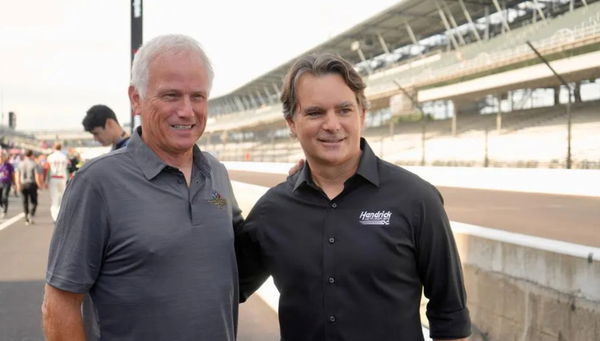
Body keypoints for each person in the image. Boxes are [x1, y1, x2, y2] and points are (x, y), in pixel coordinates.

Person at [236, 54, 471, 341]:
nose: (332, 124)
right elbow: (222, 289)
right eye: (315, 113)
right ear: (291, 123)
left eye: (344, 110)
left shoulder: (417, 199)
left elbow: (451, 317)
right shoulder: (272, 210)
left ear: (362, 115)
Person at [42, 34, 243, 341]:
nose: (187, 111)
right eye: (171, 95)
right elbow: (59, 306)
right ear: (136, 98)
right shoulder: (97, 183)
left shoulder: (216, 173)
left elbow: (240, 253)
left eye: (198, 96)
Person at [15, 149, 44, 225]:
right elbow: (36, 176)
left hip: (23, 184)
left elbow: (17, 175)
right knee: (34, 202)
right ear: (31, 155)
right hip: (31, 184)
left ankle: (26, 218)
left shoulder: (20, 163)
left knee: (25, 201)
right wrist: (40, 185)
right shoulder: (34, 164)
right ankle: (30, 214)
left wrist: (18, 184)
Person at [46, 143, 70, 222]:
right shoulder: (64, 157)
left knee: (54, 199)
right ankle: (60, 215)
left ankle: (55, 217)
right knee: (62, 197)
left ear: (54, 147)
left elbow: (47, 169)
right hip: (62, 178)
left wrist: (46, 180)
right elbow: (67, 168)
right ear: (61, 148)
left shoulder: (50, 157)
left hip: (54, 178)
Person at [0, 151, 15, 218]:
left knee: (4, 196)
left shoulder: (9, 165)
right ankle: (2, 207)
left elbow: (13, 174)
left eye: (2, 157)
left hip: (7, 183)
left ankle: (5, 210)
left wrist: (14, 183)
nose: (1, 158)